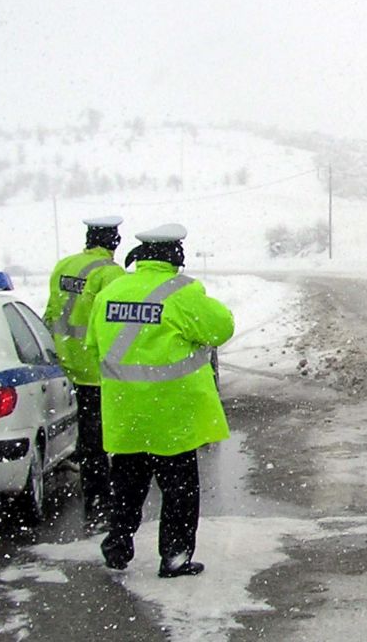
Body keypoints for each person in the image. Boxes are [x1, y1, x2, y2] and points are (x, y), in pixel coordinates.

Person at [86, 223, 234, 579]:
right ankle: (174, 557)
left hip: (126, 413)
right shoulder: (182, 293)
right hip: (172, 415)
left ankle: (118, 544)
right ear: (174, 255)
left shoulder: (112, 290)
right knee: (179, 493)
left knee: (126, 488)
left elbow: (93, 345)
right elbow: (221, 328)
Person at [43, 215, 125, 527]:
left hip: (66, 363)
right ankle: (102, 501)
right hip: (97, 368)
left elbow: (52, 311)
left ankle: (95, 499)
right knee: (104, 440)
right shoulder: (111, 273)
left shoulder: (63, 266)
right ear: (113, 242)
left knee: (88, 437)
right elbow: (115, 323)